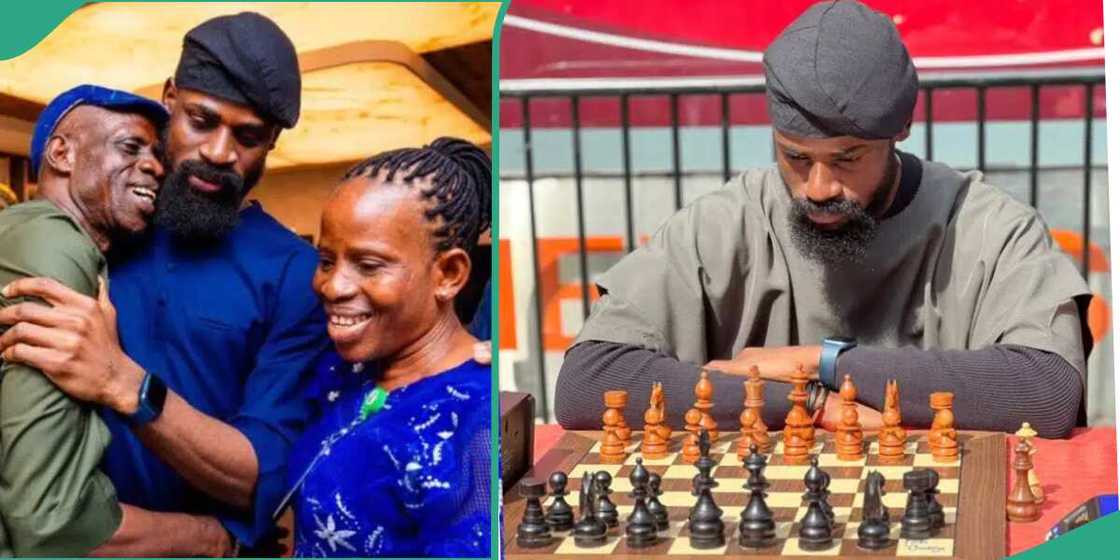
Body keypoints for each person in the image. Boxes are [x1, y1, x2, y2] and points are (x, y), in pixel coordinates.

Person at [555, 0, 1090, 439]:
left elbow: (1046, 389)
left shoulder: (987, 226)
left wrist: (820, 362)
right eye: (794, 157)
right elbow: (587, 380)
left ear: (901, 128)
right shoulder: (726, 222)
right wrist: (811, 401)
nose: (818, 188)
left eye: (847, 159)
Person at [0, 13, 330, 554]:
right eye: (202, 120)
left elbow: (261, 476)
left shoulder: (292, 272)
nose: (220, 152)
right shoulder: (103, 227)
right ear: (170, 99)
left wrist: (122, 382)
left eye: (248, 137)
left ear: (272, 142)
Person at [286, 137, 491, 557]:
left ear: (449, 273)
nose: (332, 285)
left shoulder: (478, 421)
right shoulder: (344, 369)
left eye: (368, 265)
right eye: (326, 260)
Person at [0, 85, 167, 555]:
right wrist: (208, 536)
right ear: (62, 153)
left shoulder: (25, 230)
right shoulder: (55, 247)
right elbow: (49, 518)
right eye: (130, 147)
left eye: (157, 154)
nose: (155, 165)